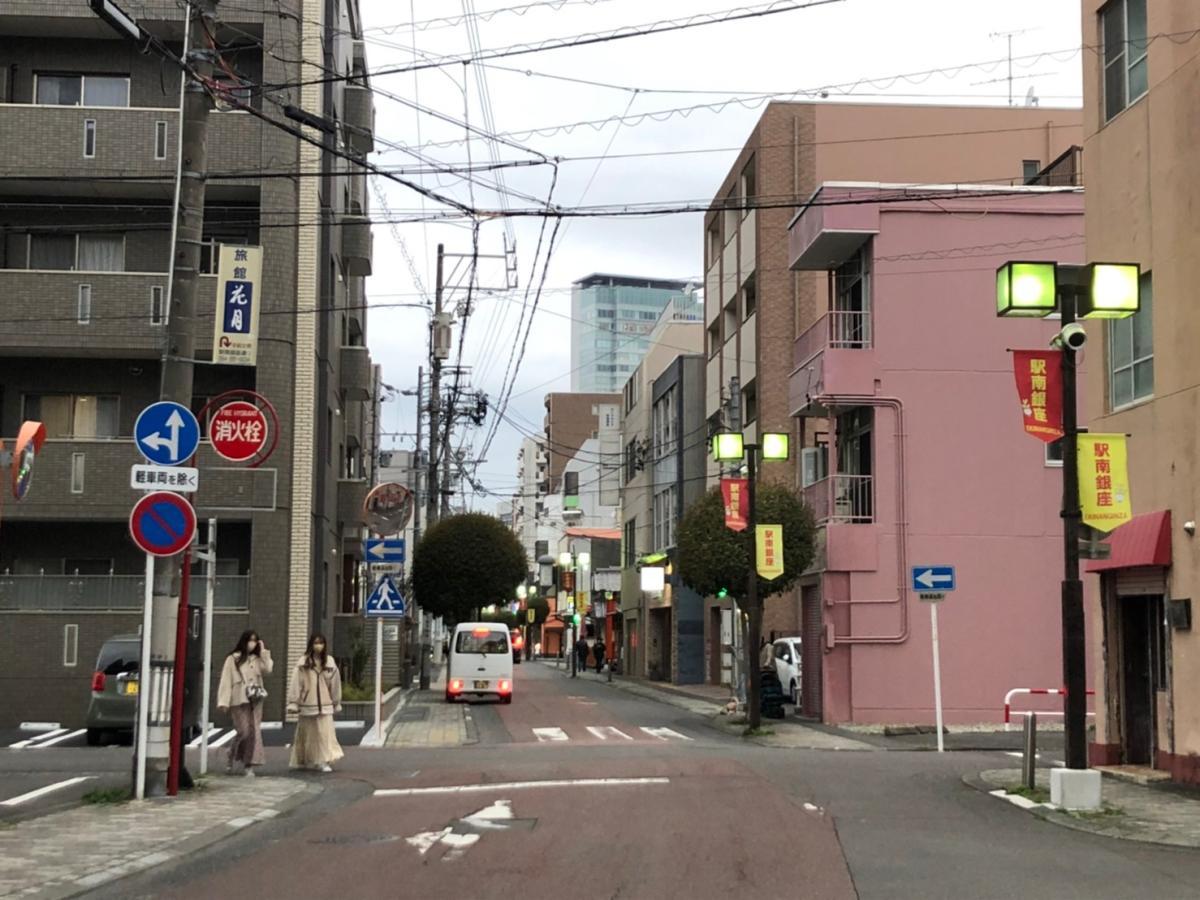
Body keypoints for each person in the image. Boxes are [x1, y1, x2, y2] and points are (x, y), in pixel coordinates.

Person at [216, 630, 272, 777]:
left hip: (255, 699)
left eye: (255, 641)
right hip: (238, 699)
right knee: (244, 731)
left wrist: (263, 651)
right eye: (250, 640)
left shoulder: (258, 659)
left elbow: (268, 669)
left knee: (253, 732)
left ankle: (249, 765)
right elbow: (226, 680)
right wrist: (224, 701)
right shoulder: (233, 659)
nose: (252, 644)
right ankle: (232, 752)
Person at [287, 633, 344, 773]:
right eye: (316, 643)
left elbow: (335, 684)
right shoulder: (303, 663)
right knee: (306, 735)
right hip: (308, 705)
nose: (319, 646)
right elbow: (297, 683)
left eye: (321, 643)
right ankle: (303, 760)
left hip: (325, 705)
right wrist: (294, 701)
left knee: (325, 734)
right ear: (311, 645)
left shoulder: (329, 663)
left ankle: (323, 761)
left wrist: (336, 701)